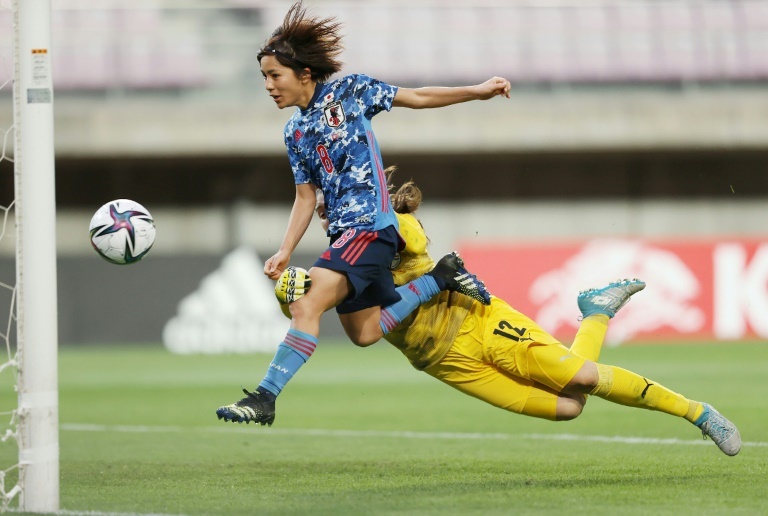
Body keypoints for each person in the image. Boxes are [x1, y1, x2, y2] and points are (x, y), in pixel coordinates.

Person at [268, 172, 742, 457]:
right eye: (327, 212)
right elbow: (360, 326)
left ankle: (699, 414)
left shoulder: (396, 228)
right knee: (569, 407)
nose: (330, 217)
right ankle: (596, 314)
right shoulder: (340, 260)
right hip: (443, 361)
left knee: (581, 376)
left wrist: (424, 279)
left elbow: (413, 274)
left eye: (335, 207)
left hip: (478, 322)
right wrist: (297, 294)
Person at [216, 1, 510, 424]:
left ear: (304, 74)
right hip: (347, 237)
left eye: (274, 75)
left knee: (306, 305)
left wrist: (477, 91)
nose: (268, 85)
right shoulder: (294, 131)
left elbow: (420, 96)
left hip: (370, 228)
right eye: (264, 76)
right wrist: (284, 251)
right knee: (365, 332)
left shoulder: (351, 91)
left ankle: (264, 398)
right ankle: (439, 278)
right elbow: (304, 197)